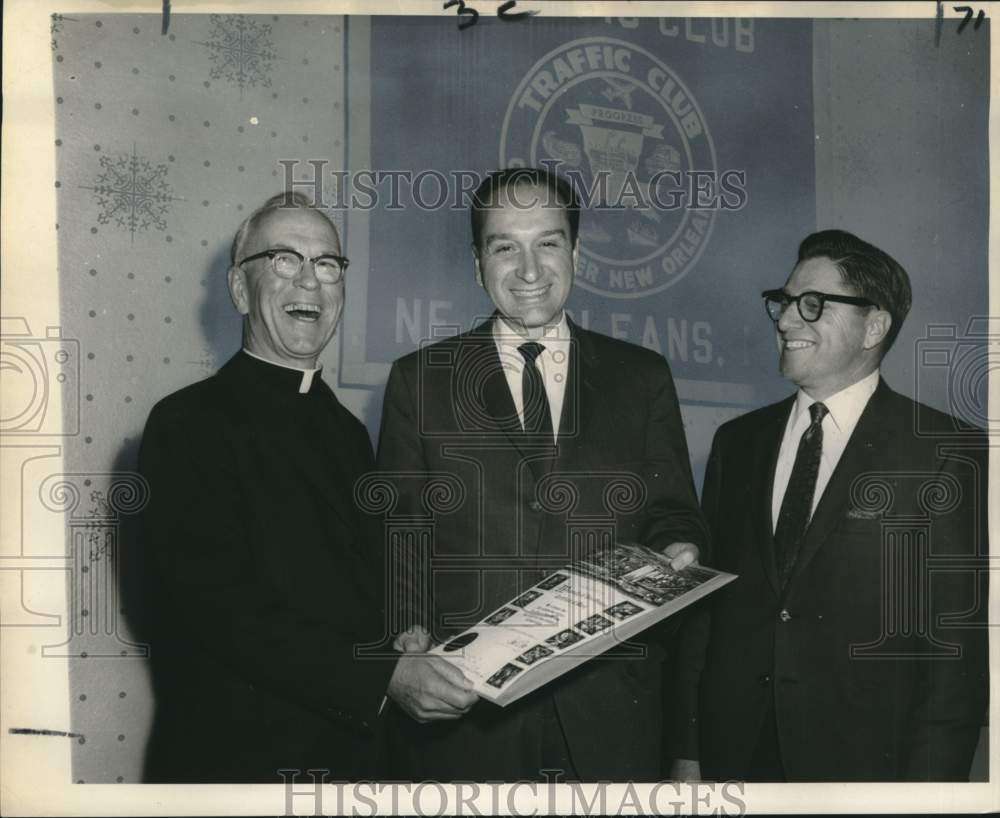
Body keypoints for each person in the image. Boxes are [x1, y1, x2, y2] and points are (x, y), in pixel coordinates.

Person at [376, 167, 709, 781]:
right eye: (505, 246)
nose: (529, 271)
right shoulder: (419, 380)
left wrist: (678, 546)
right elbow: (400, 534)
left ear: (576, 253)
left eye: (548, 243)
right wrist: (406, 634)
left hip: (611, 716)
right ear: (478, 262)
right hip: (465, 721)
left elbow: (673, 512)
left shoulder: (641, 377)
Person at [670, 229, 988, 782]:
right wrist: (687, 749)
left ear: (875, 326)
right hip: (735, 758)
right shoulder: (737, 442)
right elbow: (706, 612)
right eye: (784, 302)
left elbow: (954, 655)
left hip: (866, 767)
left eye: (812, 305)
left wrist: (930, 795)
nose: (787, 321)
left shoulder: (944, 451)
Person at [138, 192, 400, 782]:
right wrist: (384, 676)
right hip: (240, 766)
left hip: (357, 764)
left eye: (327, 264)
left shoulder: (350, 432)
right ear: (238, 289)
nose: (310, 281)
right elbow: (223, 613)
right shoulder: (186, 424)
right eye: (285, 260)